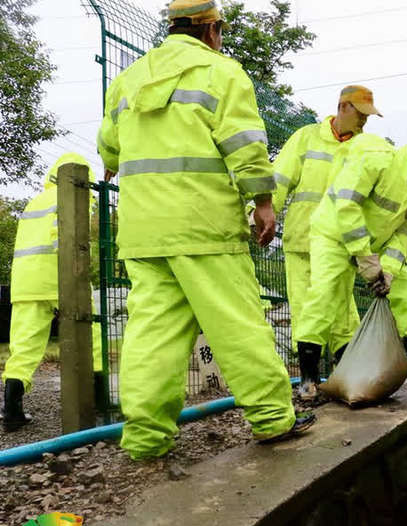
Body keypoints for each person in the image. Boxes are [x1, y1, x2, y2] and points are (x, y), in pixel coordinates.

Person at [96, 0, 314, 459]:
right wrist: (263, 202)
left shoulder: (128, 80)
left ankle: (145, 439)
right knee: (237, 323)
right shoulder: (222, 73)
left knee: (152, 333)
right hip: (204, 225)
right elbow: (245, 146)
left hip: (143, 229)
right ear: (211, 29)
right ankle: (273, 418)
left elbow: (109, 149)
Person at [295, 129, 407, 400]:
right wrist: (364, 258)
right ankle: (308, 378)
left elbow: (406, 232)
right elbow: (347, 207)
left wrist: (390, 271)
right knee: (324, 295)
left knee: (406, 293)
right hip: (333, 235)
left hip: (377, 244)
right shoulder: (376, 161)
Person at [270, 85, 381, 360]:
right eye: (361, 113)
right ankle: (310, 381)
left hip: (339, 244)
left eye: (368, 115)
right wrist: (260, 212)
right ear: (343, 107)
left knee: (342, 312)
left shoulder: (363, 147)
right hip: (302, 240)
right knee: (307, 307)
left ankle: (345, 374)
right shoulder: (306, 138)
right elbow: (279, 178)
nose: (365, 120)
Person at [2, 153, 105, 431]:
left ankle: (11, 412)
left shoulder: (33, 202)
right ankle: (100, 401)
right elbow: (70, 236)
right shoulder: (75, 194)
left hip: (25, 281)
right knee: (91, 332)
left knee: (23, 346)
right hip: (61, 275)